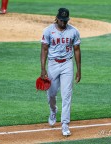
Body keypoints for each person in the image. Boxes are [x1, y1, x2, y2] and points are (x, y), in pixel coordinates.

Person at [40, 8, 81, 136]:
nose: (63, 23)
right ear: (57, 18)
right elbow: (44, 50)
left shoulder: (73, 31)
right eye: (61, 20)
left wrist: (79, 69)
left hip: (67, 64)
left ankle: (65, 124)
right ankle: (53, 111)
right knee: (51, 94)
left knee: (67, 95)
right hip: (53, 64)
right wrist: (43, 68)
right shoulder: (48, 31)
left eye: (65, 20)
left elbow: (77, 50)